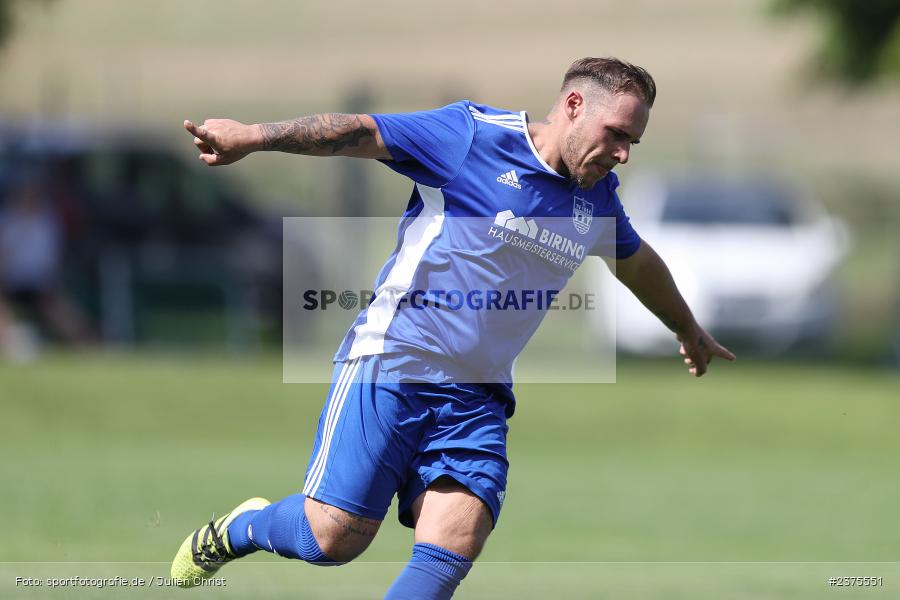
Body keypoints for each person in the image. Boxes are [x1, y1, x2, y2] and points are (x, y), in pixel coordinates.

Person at [171, 57, 735, 598]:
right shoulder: (473, 136)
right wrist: (252, 136)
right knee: (332, 539)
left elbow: (637, 264)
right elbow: (355, 131)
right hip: (393, 362)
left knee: (455, 542)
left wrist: (686, 329)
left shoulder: (597, 200)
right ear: (572, 105)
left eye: (631, 143)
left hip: (477, 396)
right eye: (616, 134)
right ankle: (241, 529)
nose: (622, 154)